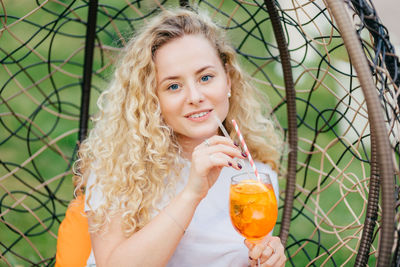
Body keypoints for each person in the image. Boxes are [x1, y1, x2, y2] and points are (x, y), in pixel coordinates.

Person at [74, 7, 286, 267]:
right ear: (153, 98)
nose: (195, 96)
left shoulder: (255, 177)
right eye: (173, 86)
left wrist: (264, 260)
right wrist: (192, 193)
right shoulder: (120, 168)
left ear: (228, 81)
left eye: (206, 77)